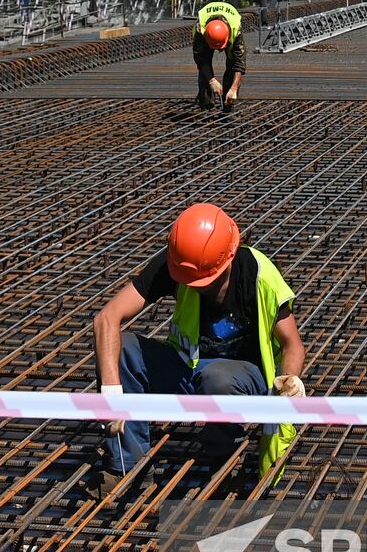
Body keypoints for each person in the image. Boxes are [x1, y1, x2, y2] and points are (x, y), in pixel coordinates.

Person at [92, 203, 305, 494]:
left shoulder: (258, 275)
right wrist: (111, 392)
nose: (195, 285)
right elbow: (107, 317)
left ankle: (221, 464)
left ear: (227, 257)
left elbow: (292, 343)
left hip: (242, 378)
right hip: (187, 366)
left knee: (218, 377)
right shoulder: (179, 262)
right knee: (122, 349)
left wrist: (290, 380)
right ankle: (127, 467)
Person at [192, 1, 247, 110]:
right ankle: (206, 102)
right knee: (204, 70)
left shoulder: (235, 30)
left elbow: (239, 62)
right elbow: (201, 60)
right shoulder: (200, 29)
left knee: (232, 67)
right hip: (207, 36)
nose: (219, 49)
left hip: (227, 32)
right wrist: (212, 80)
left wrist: (234, 87)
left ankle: (229, 100)